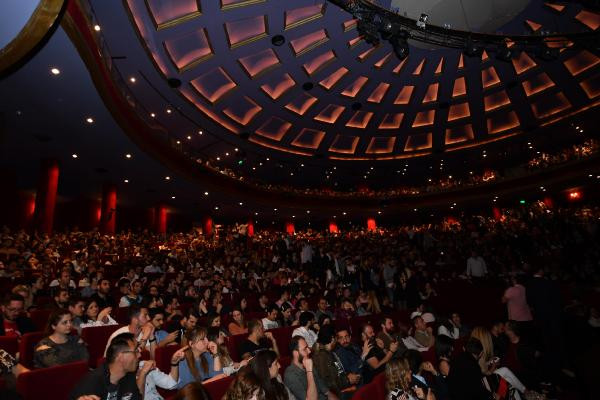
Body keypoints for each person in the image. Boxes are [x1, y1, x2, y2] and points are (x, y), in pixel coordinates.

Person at [70, 332, 143, 400]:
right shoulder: (91, 384)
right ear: (121, 357)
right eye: (136, 351)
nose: (139, 355)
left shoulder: (129, 375)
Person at [312, 325, 355, 399]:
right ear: (332, 338)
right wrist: (347, 381)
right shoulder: (321, 356)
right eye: (336, 337)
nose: (336, 340)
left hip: (341, 385)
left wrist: (348, 377)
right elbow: (328, 384)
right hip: (336, 394)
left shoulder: (329, 352)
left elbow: (338, 371)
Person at [284, 336, 324, 400]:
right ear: (295, 353)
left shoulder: (308, 363)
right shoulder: (290, 374)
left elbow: (326, 391)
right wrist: (309, 371)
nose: (309, 351)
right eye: (305, 349)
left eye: (308, 347)